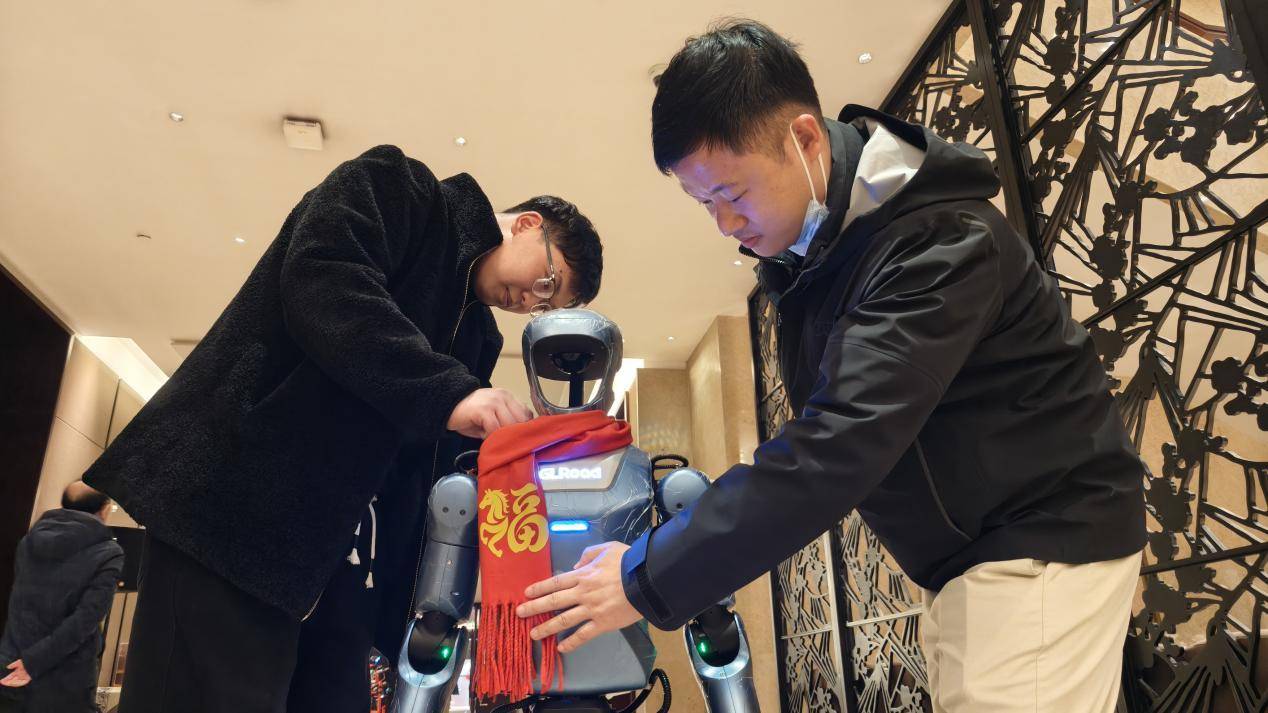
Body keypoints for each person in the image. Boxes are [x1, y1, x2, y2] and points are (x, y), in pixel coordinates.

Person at [517, 20, 1145, 713]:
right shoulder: (820, 257)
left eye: (733, 194)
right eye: (705, 204)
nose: (725, 225)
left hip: (1043, 540)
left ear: (806, 139)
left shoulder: (937, 244)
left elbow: (834, 446)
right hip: (967, 558)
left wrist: (643, 576)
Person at [81, 145, 604, 713]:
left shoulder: (478, 334)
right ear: (527, 225)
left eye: (543, 306)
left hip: (342, 564)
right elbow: (323, 281)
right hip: (234, 513)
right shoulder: (399, 187)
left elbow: (430, 470)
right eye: (547, 282)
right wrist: (450, 392)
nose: (528, 302)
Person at [0, 482, 125, 713]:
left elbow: (21, 605)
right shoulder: (107, 552)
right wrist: (33, 662)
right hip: (66, 676)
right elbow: (85, 620)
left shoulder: (30, 540)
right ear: (105, 508)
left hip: (13, 664)